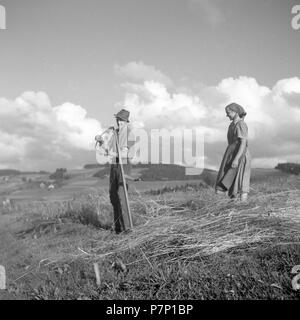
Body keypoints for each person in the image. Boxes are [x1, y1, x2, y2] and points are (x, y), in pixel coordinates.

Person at [95, 109, 141, 233]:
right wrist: (101, 142)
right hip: (114, 164)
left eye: (121, 120)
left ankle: (128, 228)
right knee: (113, 196)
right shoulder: (115, 133)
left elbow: (125, 153)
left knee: (122, 196)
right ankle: (118, 229)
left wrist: (111, 152)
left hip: (124, 164)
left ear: (126, 122)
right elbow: (107, 150)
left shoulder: (129, 134)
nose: (118, 121)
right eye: (118, 119)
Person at [215, 103, 251, 201]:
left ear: (235, 112)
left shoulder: (241, 124)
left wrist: (236, 159)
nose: (227, 115)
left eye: (228, 113)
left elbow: (243, 143)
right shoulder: (232, 125)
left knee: (240, 179)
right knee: (228, 178)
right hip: (231, 153)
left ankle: (243, 204)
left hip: (240, 154)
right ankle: (233, 204)